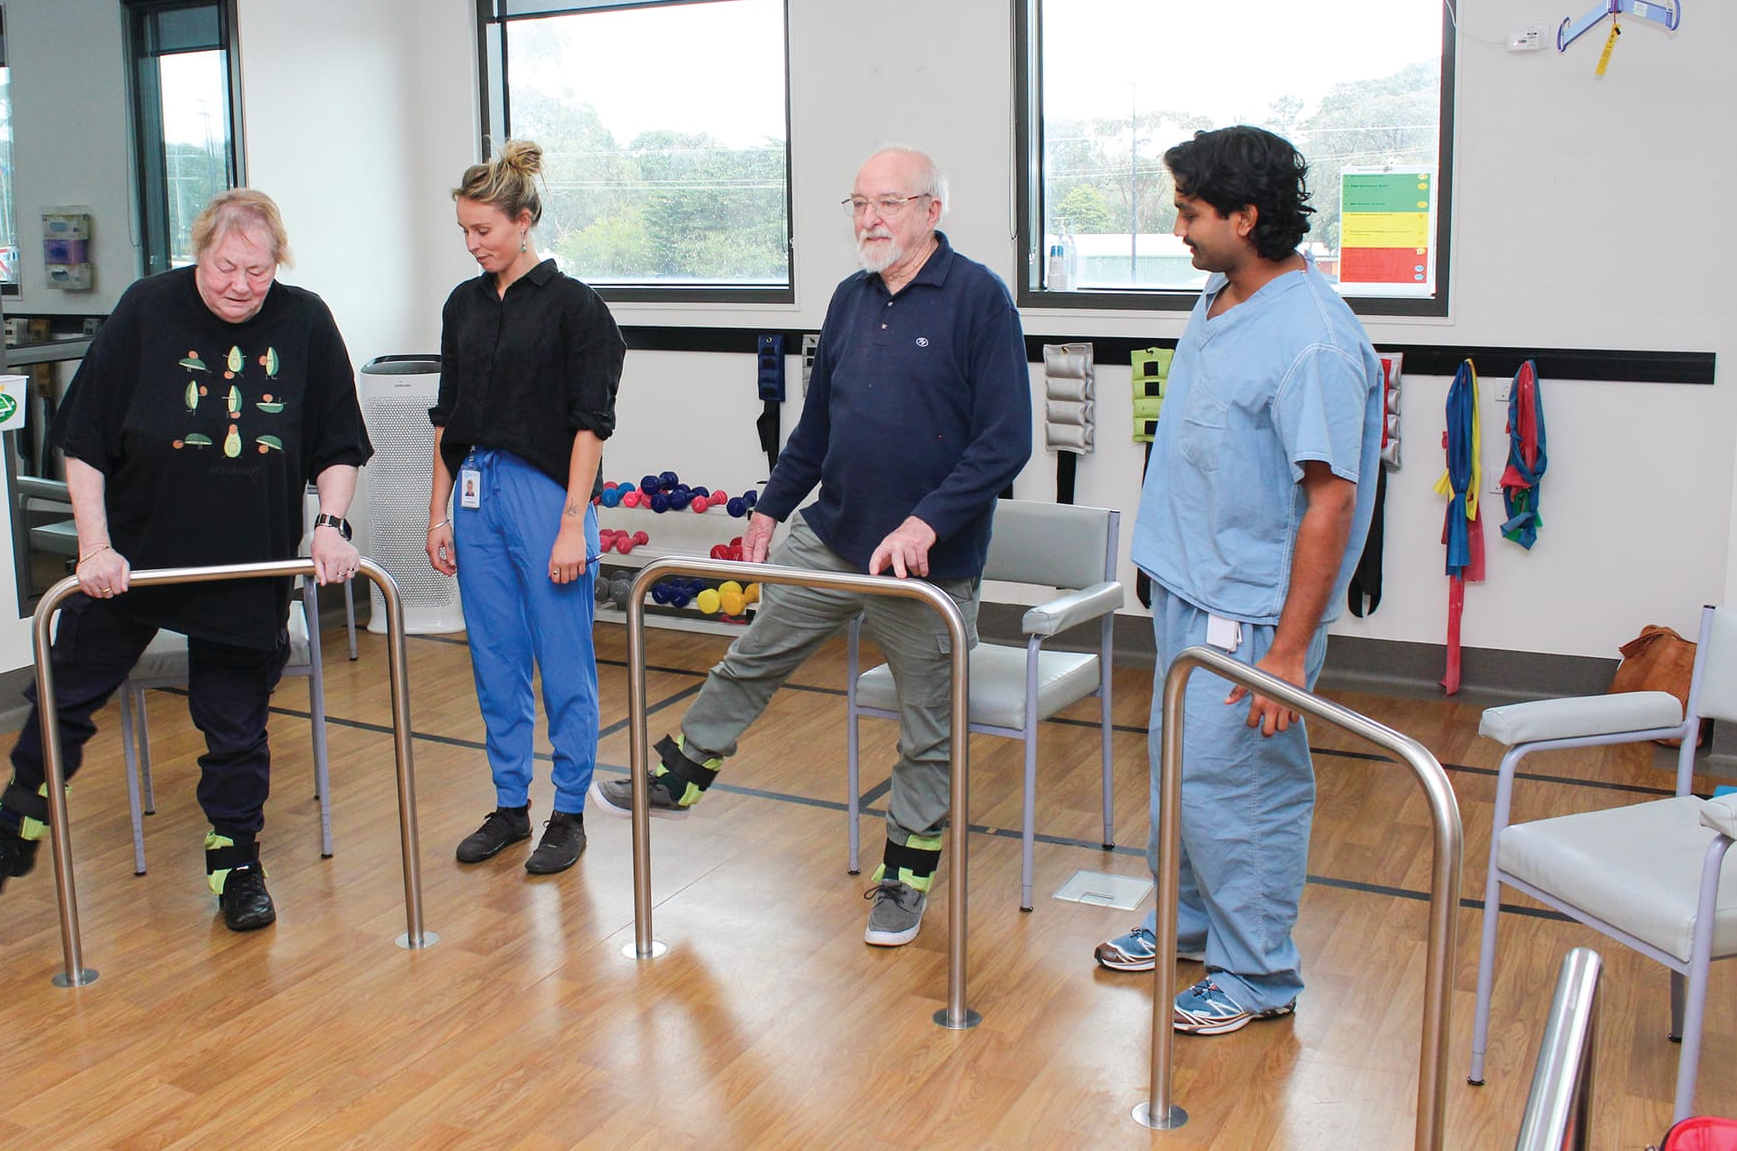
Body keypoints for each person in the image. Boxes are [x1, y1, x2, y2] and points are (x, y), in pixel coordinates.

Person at [591, 145, 1030, 948]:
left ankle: (905, 877)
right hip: (832, 538)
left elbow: (1005, 441)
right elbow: (818, 425)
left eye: (888, 202)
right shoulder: (849, 299)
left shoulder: (980, 300)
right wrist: (771, 506)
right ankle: (680, 777)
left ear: (932, 210)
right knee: (751, 655)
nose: (870, 218)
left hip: (925, 565)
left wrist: (926, 522)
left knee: (930, 729)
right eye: (859, 203)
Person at [0, 188, 373, 933]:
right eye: (225, 267)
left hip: (243, 565)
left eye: (257, 271)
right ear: (199, 252)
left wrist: (331, 525)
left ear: (278, 263)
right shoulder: (147, 309)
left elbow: (339, 443)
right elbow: (84, 438)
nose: (240, 285)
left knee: (236, 727)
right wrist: (93, 546)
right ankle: (15, 824)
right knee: (65, 689)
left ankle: (236, 864)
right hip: (136, 558)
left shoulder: (306, 321)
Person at [1092, 126, 1382, 1035]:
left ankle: (1258, 972)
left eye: (1190, 213)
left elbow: (1331, 502)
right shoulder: (1220, 296)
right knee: (1179, 771)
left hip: (1252, 611)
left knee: (1237, 788)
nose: (1178, 228)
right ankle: (1185, 924)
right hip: (1189, 584)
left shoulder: (1314, 340)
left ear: (1246, 218)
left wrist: (1288, 654)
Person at [429, 140, 625, 876]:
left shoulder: (577, 309)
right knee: (495, 657)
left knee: (564, 661)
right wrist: (438, 514)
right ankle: (510, 805)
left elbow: (590, 425)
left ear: (525, 219)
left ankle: (567, 812)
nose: (473, 244)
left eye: (484, 229)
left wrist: (574, 524)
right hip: (476, 492)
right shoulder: (463, 305)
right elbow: (447, 418)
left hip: (549, 496)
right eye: (464, 231)